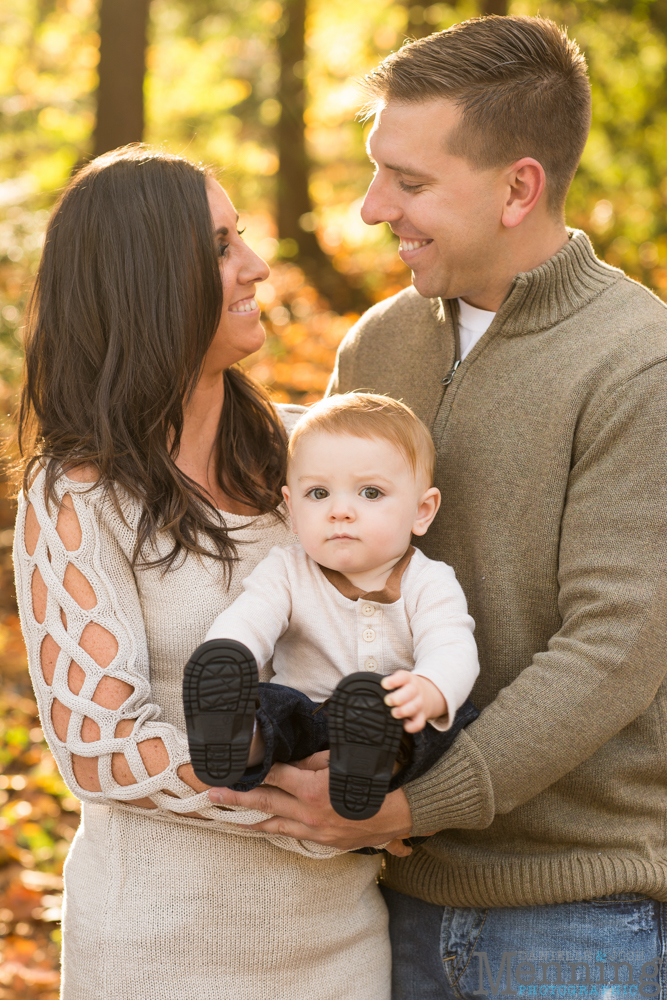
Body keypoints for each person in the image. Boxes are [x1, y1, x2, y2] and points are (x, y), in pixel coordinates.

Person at [207, 15, 667, 991]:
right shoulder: (378, 346)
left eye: (409, 182)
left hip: (572, 921)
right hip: (386, 901)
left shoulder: (639, 363)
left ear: (518, 187)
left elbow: (615, 644)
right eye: (378, 170)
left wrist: (415, 804)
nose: (372, 209)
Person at [13, 146, 394, 1000]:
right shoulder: (77, 495)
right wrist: (300, 803)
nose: (257, 266)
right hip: (161, 952)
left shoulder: (313, 458)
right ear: (150, 282)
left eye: (242, 237)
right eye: (221, 246)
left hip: (342, 945)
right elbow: (100, 747)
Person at [183, 392, 479, 824]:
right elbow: (250, 617)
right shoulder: (287, 569)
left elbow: (452, 646)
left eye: (370, 493)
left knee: (438, 727)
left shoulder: (429, 580)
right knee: (267, 706)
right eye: (318, 493)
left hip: (390, 714)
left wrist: (429, 690)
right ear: (292, 508)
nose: (340, 511)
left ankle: (366, 767)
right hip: (306, 714)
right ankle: (236, 740)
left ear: (422, 511)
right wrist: (231, 655)